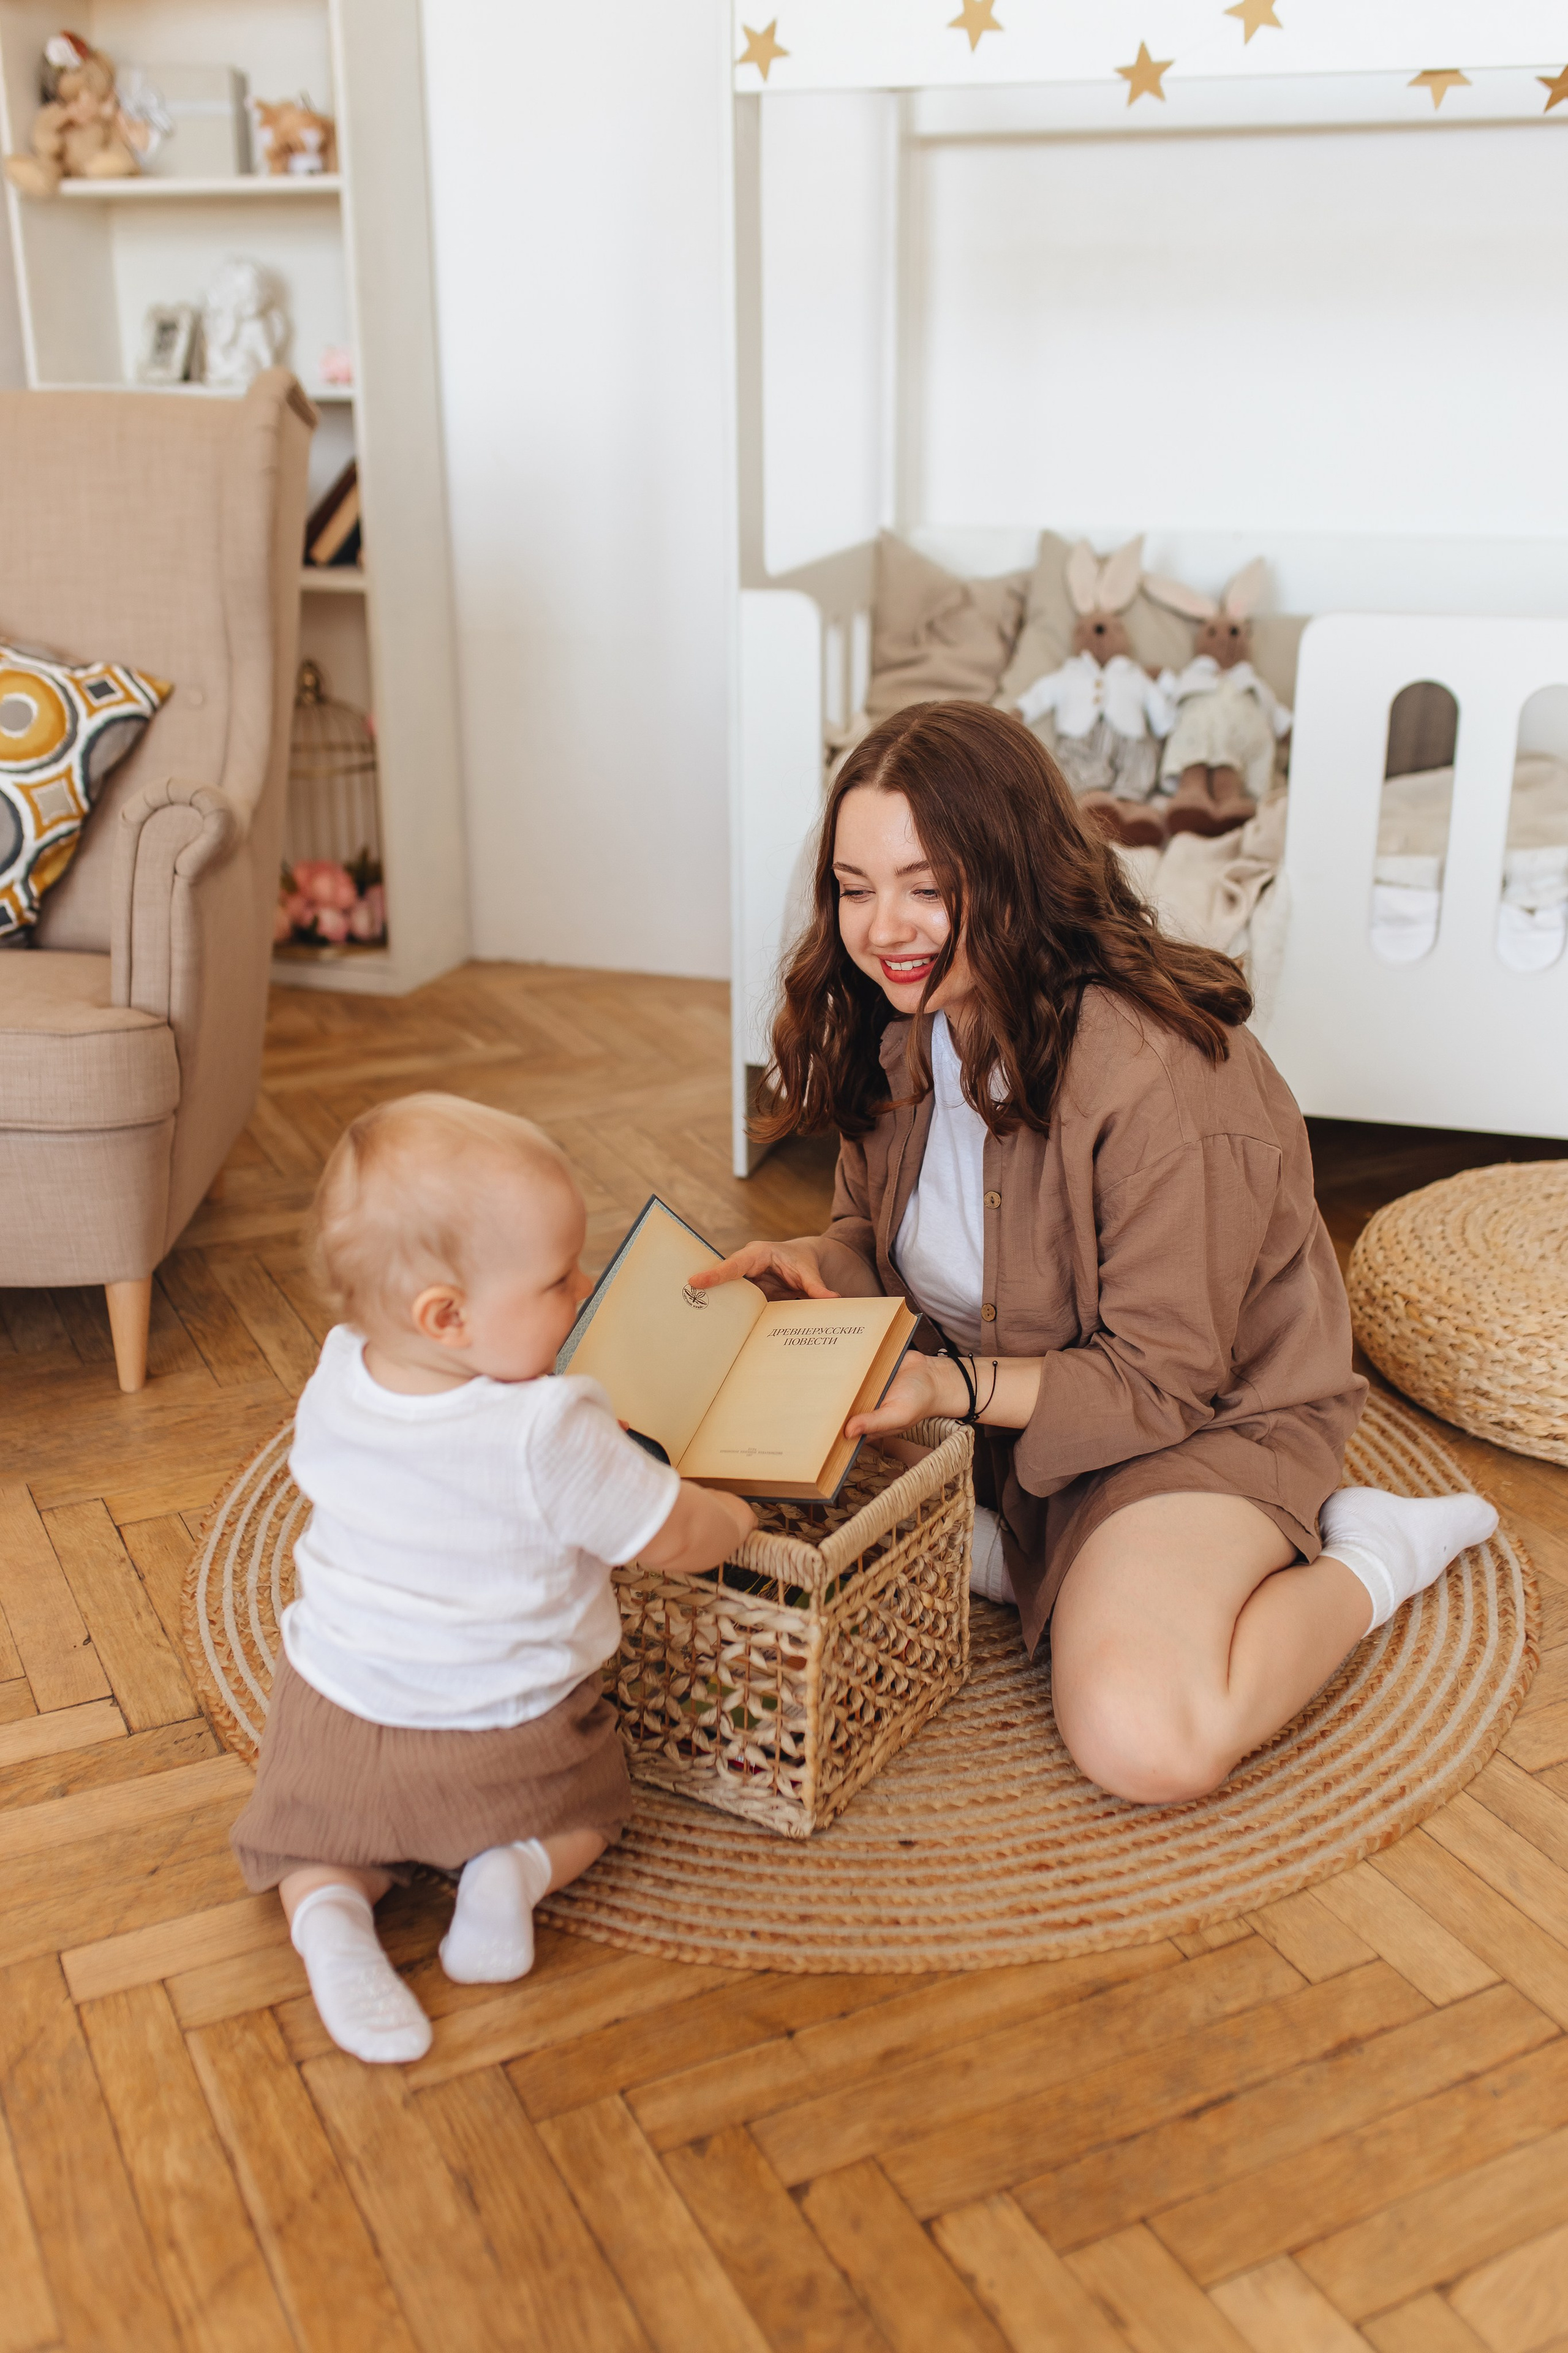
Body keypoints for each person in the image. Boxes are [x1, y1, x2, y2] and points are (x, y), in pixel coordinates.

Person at [696, 702, 1494, 1807]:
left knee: (1145, 1736)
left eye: (927, 887)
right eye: (854, 887)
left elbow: (1162, 1381)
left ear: (1015, 872)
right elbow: (871, 1242)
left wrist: (948, 1389)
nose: (883, 929)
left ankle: (1372, 1554)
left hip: (1196, 1421)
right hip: (1005, 1399)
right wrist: (809, 1268)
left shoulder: (1161, 1075)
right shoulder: (903, 1029)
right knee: (697, 1443)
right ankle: (1016, 1550)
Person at [230, 1094, 755, 2064]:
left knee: (312, 1843)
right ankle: (511, 1869)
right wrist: (733, 1516)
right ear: (448, 1315)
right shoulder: (549, 1429)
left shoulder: (339, 1369)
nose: (585, 1288)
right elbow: (673, 1535)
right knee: (597, 1803)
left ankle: (331, 1911)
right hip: (503, 1737)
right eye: (559, 1280)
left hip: (332, 1715)